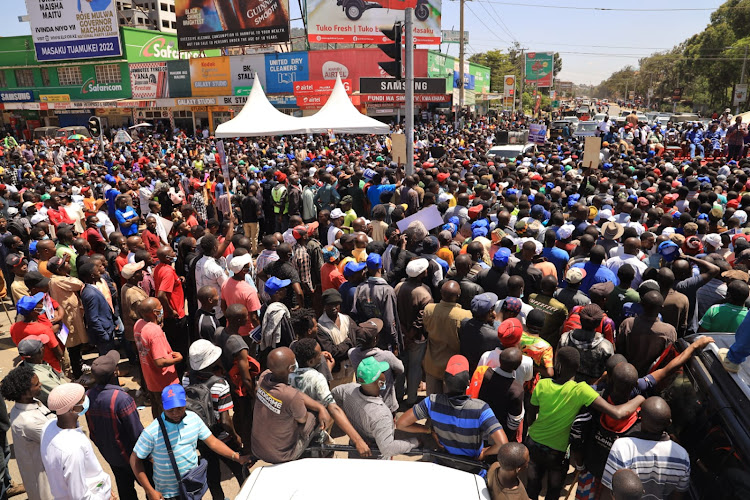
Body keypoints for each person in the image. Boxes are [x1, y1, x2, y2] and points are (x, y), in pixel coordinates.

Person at [525, 347, 644, 500]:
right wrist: (640, 398)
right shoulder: (582, 390)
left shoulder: (542, 384)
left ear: (557, 364)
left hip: (533, 442)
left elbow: (530, 415)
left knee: (532, 486)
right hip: (556, 453)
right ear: (578, 367)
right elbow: (617, 413)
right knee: (554, 490)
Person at [131, 383, 251, 500]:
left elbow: (213, 442)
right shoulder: (152, 432)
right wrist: (150, 491)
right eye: (170, 410)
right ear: (162, 406)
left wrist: (236, 457)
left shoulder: (193, 419)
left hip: (191, 487)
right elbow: (134, 460)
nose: (175, 413)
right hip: (167, 494)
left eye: (179, 408)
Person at [397, 355, 508, 470]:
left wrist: (430, 430)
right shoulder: (481, 409)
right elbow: (503, 444)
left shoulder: (431, 402)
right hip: (471, 467)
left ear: (444, 382)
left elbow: (401, 424)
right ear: (468, 383)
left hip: (443, 462)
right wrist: (485, 452)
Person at [183, 340, 246, 499]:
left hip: (202, 438)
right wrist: (235, 437)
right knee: (241, 470)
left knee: (213, 478)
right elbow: (225, 421)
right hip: (222, 438)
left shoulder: (186, 379)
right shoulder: (220, 384)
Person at [289, 338, 371, 457]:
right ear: (311, 361)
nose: (321, 355)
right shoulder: (316, 377)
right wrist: (358, 440)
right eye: (319, 354)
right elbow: (333, 408)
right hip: (312, 436)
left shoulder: (288, 372)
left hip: (291, 435)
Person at [251, 347, 332, 464]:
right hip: (282, 454)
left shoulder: (264, 376)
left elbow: (291, 393)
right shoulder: (291, 396)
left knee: (312, 407)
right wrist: (320, 408)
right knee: (314, 415)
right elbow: (302, 419)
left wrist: (317, 406)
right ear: (291, 368)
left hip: (258, 448)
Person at [601, 397, 690, 499]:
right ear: (669, 423)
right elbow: (678, 495)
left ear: (639, 417)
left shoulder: (623, 447)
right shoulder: (683, 456)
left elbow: (609, 489)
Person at [85, 350, 145, 500]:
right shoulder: (122, 399)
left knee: (125, 490)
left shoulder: (88, 396)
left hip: (112, 455)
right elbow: (137, 434)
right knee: (150, 486)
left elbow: (92, 430)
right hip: (132, 456)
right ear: (115, 373)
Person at [332, 356, 418, 458]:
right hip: (375, 459)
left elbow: (332, 398)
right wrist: (414, 442)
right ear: (379, 383)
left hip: (354, 452)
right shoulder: (381, 415)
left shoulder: (347, 390)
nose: (385, 374)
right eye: (382, 372)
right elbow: (388, 449)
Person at [41, 383, 113, 499]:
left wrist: (105, 490)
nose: (86, 400)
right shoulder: (73, 449)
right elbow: (80, 496)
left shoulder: (48, 426)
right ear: (74, 409)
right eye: (83, 399)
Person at [1, 364, 55, 500]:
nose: (40, 384)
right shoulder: (29, 422)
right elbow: (57, 438)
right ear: (24, 392)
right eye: (36, 384)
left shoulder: (29, 403)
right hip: (43, 475)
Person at [134, 297, 182, 418]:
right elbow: (159, 362)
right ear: (155, 312)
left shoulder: (138, 324)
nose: (162, 308)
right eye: (160, 306)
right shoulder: (154, 331)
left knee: (157, 408)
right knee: (171, 413)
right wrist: (178, 359)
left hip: (150, 378)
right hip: (164, 381)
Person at [347, 318, 404, 413]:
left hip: (366, 403)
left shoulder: (352, 354)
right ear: (375, 339)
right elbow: (401, 369)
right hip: (387, 404)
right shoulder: (386, 356)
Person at [351, 253, 403, 352]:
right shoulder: (387, 290)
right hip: (383, 340)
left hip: (366, 337)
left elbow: (355, 313)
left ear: (368, 269)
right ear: (381, 266)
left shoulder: (360, 288)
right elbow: (389, 320)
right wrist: (395, 341)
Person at [154, 245, 188, 371]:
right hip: (175, 316)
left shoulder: (159, 268)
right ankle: (181, 371)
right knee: (180, 346)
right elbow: (161, 294)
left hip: (170, 315)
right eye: (172, 253)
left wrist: (179, 280)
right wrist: (171, 310)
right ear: (167, 257)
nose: (174, 254)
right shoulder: (167, 272)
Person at [10, 293, 64, 373]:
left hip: (29, 367)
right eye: (38, 304)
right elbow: (57, 350)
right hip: (50, 368)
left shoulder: (13, 328)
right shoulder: (44, 329)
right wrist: (61, 358)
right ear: (34, 311)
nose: (41, 305)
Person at [317, 289, 357, 384]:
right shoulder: (320, 327)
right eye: (330, 304)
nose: (334, 307)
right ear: (324, 306)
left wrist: (344, 346)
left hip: (351, 373)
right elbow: (332, 351)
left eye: (336, 304)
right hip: (335, 376)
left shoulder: (347, 319)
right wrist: (348, 343)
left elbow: (356, 340)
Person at [79, 262, 117, 355]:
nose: (100, 272)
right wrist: (104, 335)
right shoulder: (90, 293)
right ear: (92, 275)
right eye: (97, 271)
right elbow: (93, 319)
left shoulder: (92, 288)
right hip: (103, 334)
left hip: (107, 328)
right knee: (107, 358)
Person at [460, 292, 501, 374]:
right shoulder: (494, 335)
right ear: (490, 312)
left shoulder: (464, 323)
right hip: (482, 372)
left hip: (467, 367)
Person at [17, 337, 66, 406]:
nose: (44, 348)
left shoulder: (28, 364)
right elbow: (63, 394)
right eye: (42, 346)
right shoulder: (39, 377)